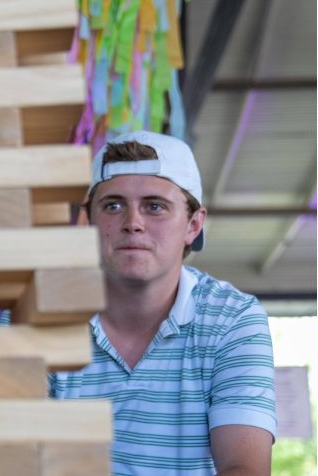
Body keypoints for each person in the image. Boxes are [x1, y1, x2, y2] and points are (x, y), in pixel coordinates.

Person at [51, 131, 276, 475]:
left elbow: (244, 468)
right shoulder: (42, 313)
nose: (133, 223)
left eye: (154, 206)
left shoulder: (232, 318)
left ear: (193, 224)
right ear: (88, 220)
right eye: (113, 205)